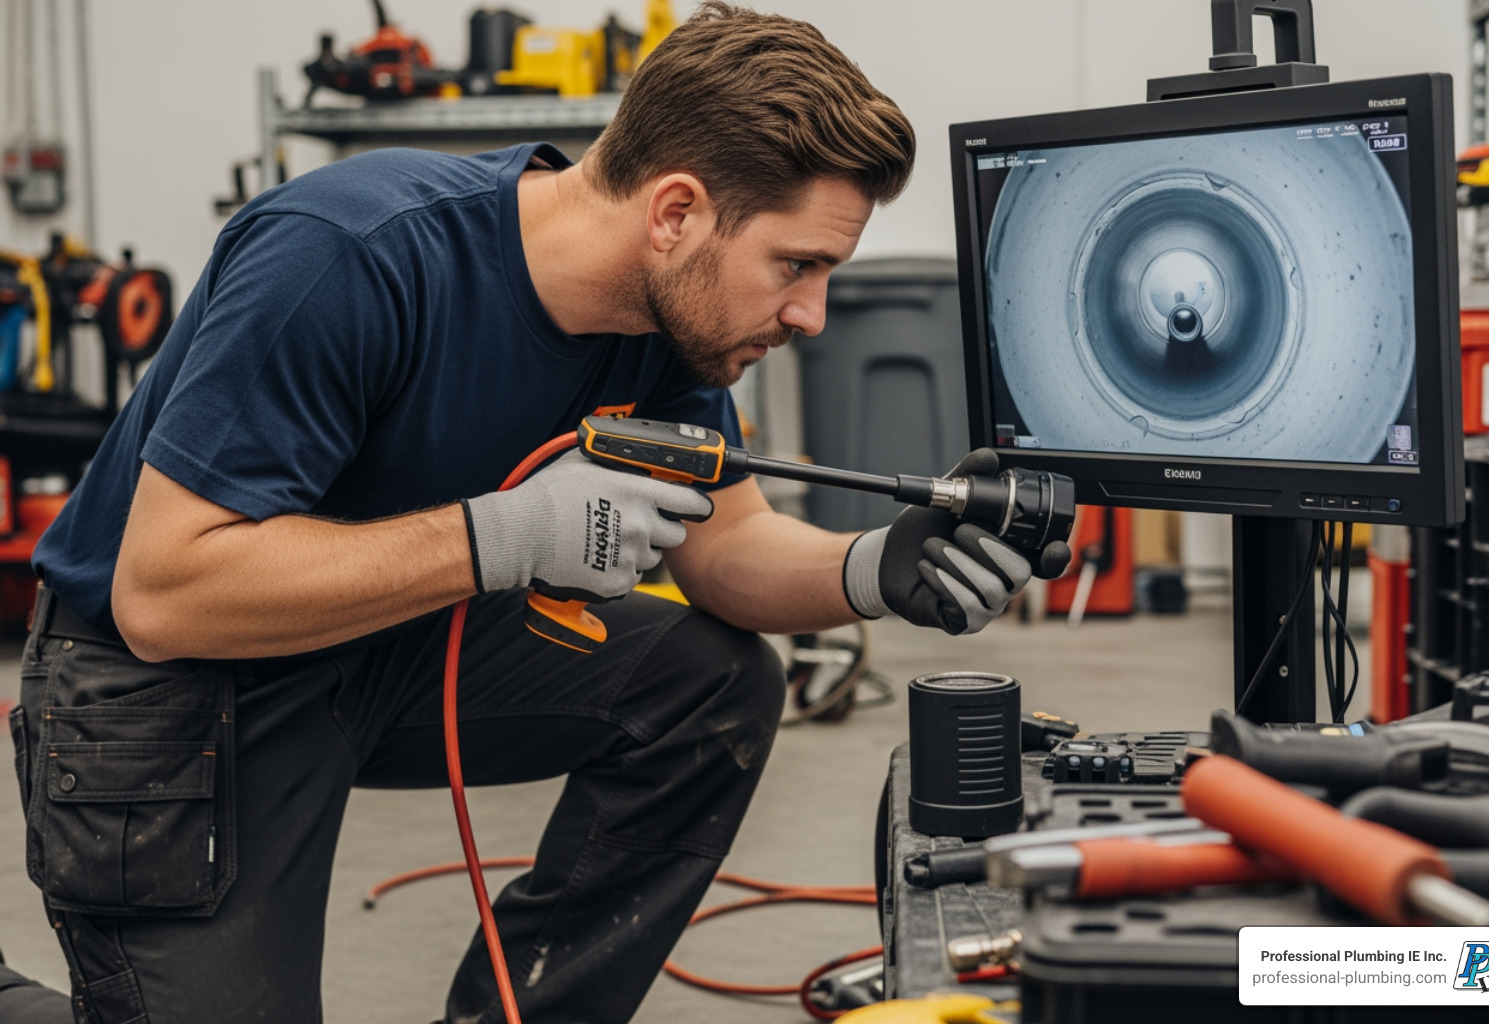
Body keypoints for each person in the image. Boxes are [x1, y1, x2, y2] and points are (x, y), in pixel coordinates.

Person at [9, 5, 1038, 1022]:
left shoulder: (670, 322)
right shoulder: (348, 253)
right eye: (797, 265)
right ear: (675, 213)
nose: (810, 314)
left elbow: (727, 547)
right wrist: (509, 534)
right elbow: (164, 595)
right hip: (167, 686)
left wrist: (873, 568)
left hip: (382, 645)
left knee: (711, 683)